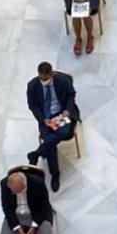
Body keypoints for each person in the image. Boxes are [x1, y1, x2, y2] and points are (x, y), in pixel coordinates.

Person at [25, 62, 79, 192]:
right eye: (41, 78)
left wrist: (67, 110)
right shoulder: (32, 85)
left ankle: (36, 154)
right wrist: (44, 120)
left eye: (46, 78)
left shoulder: (62, 80)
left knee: (62, 132)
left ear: (51, 74)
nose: (43, 80)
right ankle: (55, 174)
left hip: (62, 114)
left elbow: (71, 94)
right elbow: (32, 106)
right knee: (50, 142)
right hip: (46, 118)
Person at [0, 168, 62, 234]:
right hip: (16, 216)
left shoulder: (38, 183)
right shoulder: (4, 184)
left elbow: (44, 206)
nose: (15, 194)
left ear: (25, 183)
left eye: (19, 192)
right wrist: (17, 228)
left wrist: (33, 227)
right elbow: (6, 208)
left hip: (37, 214)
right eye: (13, 192)